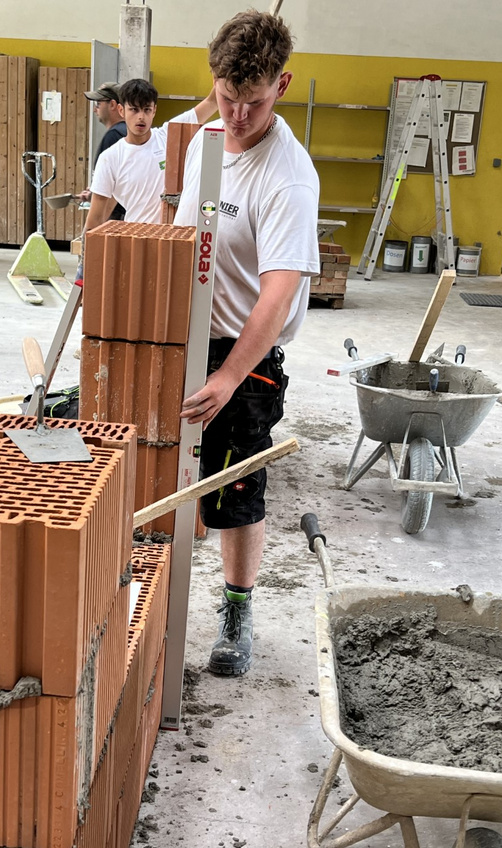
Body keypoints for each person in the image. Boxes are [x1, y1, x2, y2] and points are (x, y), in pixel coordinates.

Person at [174, 11, 320, 677]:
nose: (236, 117)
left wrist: (231, 375)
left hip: (241, 352)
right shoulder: (206, 141)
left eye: (252, 103)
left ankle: (237, 611)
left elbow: (278, 293)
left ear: (281, 85)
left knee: (235, 488)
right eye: (227, 99)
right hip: (179, 341)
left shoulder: (286, 175)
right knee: (160, 473)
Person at [82, 78, 217, 233]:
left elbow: (212, 102)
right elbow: (95, 220)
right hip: (135, 238)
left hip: (172, 236)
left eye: (146, 110)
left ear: (154, 111)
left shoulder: (168, 136)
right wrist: (87, 251)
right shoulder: (110, 158)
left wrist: (220, 77)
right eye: (134, 109)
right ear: (121, 110)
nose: (141, 117)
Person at [78, 82, 127, 221]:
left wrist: (96, 226)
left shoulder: (115, 136)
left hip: (116, 219)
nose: (95, 109)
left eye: (98, 103)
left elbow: (115, 189)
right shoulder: (125, 134)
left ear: (112, 105)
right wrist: (95, 192)